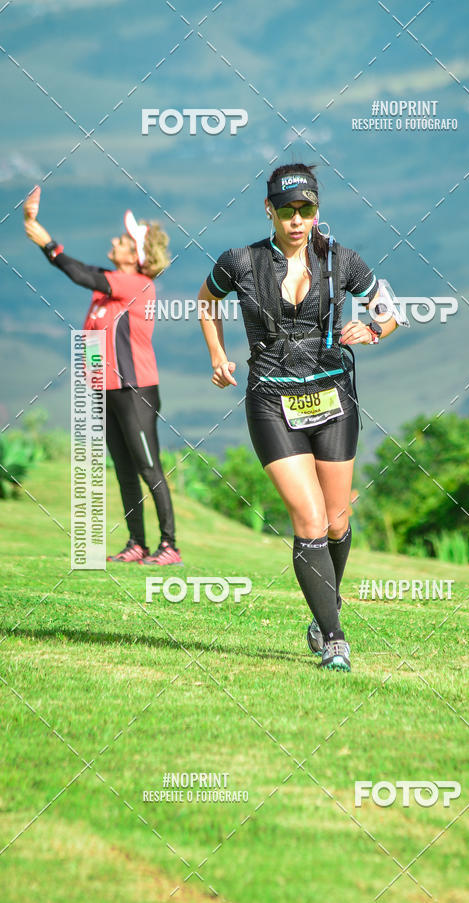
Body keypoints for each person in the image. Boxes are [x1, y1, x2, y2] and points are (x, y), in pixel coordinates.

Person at [196, 164, 399, 671]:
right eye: (287, 210)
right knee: (308, 519)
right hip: (271, 401)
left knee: (336, 520)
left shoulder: (341, 259)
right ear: (269, 209)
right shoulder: (239, 262)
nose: (296, 220)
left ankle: (324, 606)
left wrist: (374, 331)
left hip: (334, 398)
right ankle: (334, 639)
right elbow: (206, 301)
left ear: (316, 211)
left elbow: (387, 310)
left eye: (305, 210)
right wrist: (218, 355)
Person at [23, 185, 183, 566]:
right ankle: (137, 544)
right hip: (105, 390)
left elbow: (79, 273)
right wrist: (36, 228)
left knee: (148, 467)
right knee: (125, 470)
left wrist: (47, 242)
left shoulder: (136, 285)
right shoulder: (109, 287)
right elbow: (75, 268)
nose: (114, 240)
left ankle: (170, 546)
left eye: (123, 240)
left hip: (135, 391)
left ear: (136, 256)